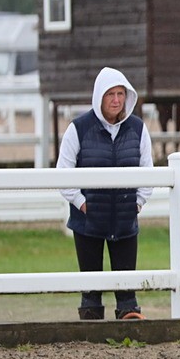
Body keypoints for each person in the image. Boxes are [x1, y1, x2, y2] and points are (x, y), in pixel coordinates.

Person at [58, 67, 154, 320]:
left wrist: (138, 203)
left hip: (125, 219)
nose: (116, 100)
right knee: (90, 290)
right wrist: (82, 204)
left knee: (126, 290)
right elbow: (62, 174)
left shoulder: (138, 129)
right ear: (99, 96)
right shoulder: (78, 128)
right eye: (110, 94)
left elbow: (148, 171)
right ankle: (91, 326)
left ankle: (129, 317)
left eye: (120, 93)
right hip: (87, 220)